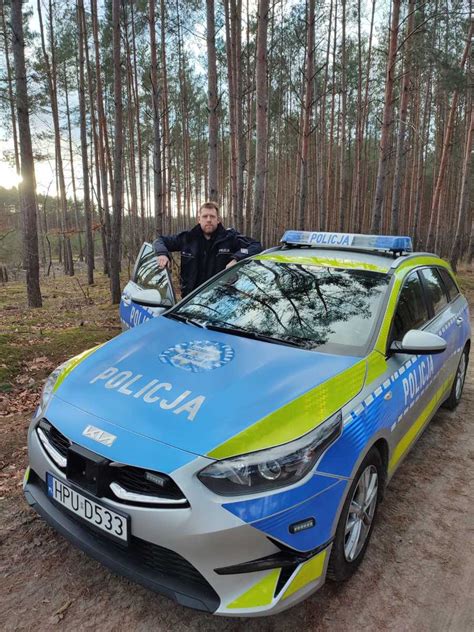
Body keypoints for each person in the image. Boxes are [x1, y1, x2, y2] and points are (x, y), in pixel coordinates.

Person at [153, 201, 262, 297]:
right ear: (199, 219)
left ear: (218, 220)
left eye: (212, 216)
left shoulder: (230, 238)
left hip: (220, 300)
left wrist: (236, 259)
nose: (208, 220)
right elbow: (160, 241)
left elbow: (256, 246)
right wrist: (162, 253)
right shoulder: (187, 238)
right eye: (205, 216)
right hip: (189, 301)